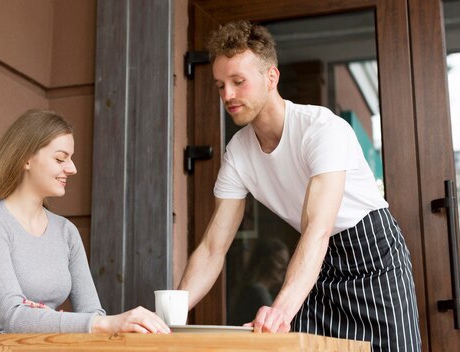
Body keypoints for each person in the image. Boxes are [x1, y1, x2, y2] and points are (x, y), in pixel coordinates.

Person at [177, 21, 421, 351]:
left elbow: (318, 229)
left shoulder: (321, 129)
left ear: (271, 77)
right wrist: (170, 317)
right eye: (221, 85)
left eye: (238, 82)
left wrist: (279, 311)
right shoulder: (238, 152)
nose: (228, 95)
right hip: (318, 266)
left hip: (373, 258)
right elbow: (212, 248)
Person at [0, 109, 170, 351]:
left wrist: (113, 324)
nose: (73, 169)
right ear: (25, 158)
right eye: (60, 159)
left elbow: (92, 312)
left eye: (71, 158)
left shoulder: (66, 231)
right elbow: (13, 317)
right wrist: (107, 323)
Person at [227, 238, 289, 326]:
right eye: (280, 261)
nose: (284, 268)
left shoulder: (249, 288)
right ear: (264, 260)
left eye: (285, 263)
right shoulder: (258, 291)